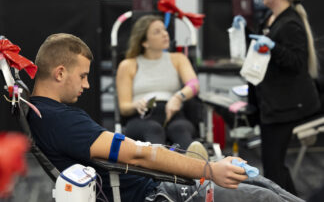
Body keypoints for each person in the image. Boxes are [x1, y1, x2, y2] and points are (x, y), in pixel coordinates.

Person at [27, 33, 302, 202]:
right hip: (155, 193)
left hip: (156, 182)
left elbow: (136, 153)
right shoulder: (57, 119)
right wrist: (210, 171)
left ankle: (194, 161)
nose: (87, 85)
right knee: (265, 196)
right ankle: (198, 162)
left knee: (261, 183)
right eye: (83, 76)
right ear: (60, 73)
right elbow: (137, 155)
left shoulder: (48, 114)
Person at [233, 0, 320, 195]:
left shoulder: (290, 22)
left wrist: (274, 48)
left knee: (273, 167)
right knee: (273, 166)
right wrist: (245, 31)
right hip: (271, 104)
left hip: (285, 107)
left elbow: (296, 62)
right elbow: (264, 46)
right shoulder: (271, 18)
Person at [116, 15, 198, 150]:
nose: (165, 34)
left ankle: (196, 165)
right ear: (144, 42)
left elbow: (194, 85)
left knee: (180, 129)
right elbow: (124, 107)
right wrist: (136, 105)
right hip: (141, 117)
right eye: (157, 32)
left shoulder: (178, 59)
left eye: (164, 30)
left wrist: (178, 97)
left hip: (173, 113)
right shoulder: (128, 65)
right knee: (154, 129)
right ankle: (160, 164)